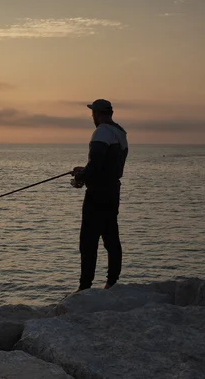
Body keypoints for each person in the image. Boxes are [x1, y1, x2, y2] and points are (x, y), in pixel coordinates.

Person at [72, 99, 129, 290]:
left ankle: (84, 287)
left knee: (88, 240)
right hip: (113, 192)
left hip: (97, 194)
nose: (92, 117)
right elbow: (107, 165)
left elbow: (96, 164)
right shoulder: (120, 133)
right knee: (111, 237)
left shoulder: (102, 132)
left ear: (96, 114)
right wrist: (85, 171)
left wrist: (81, 176)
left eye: (92, 114)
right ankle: (112, 283)